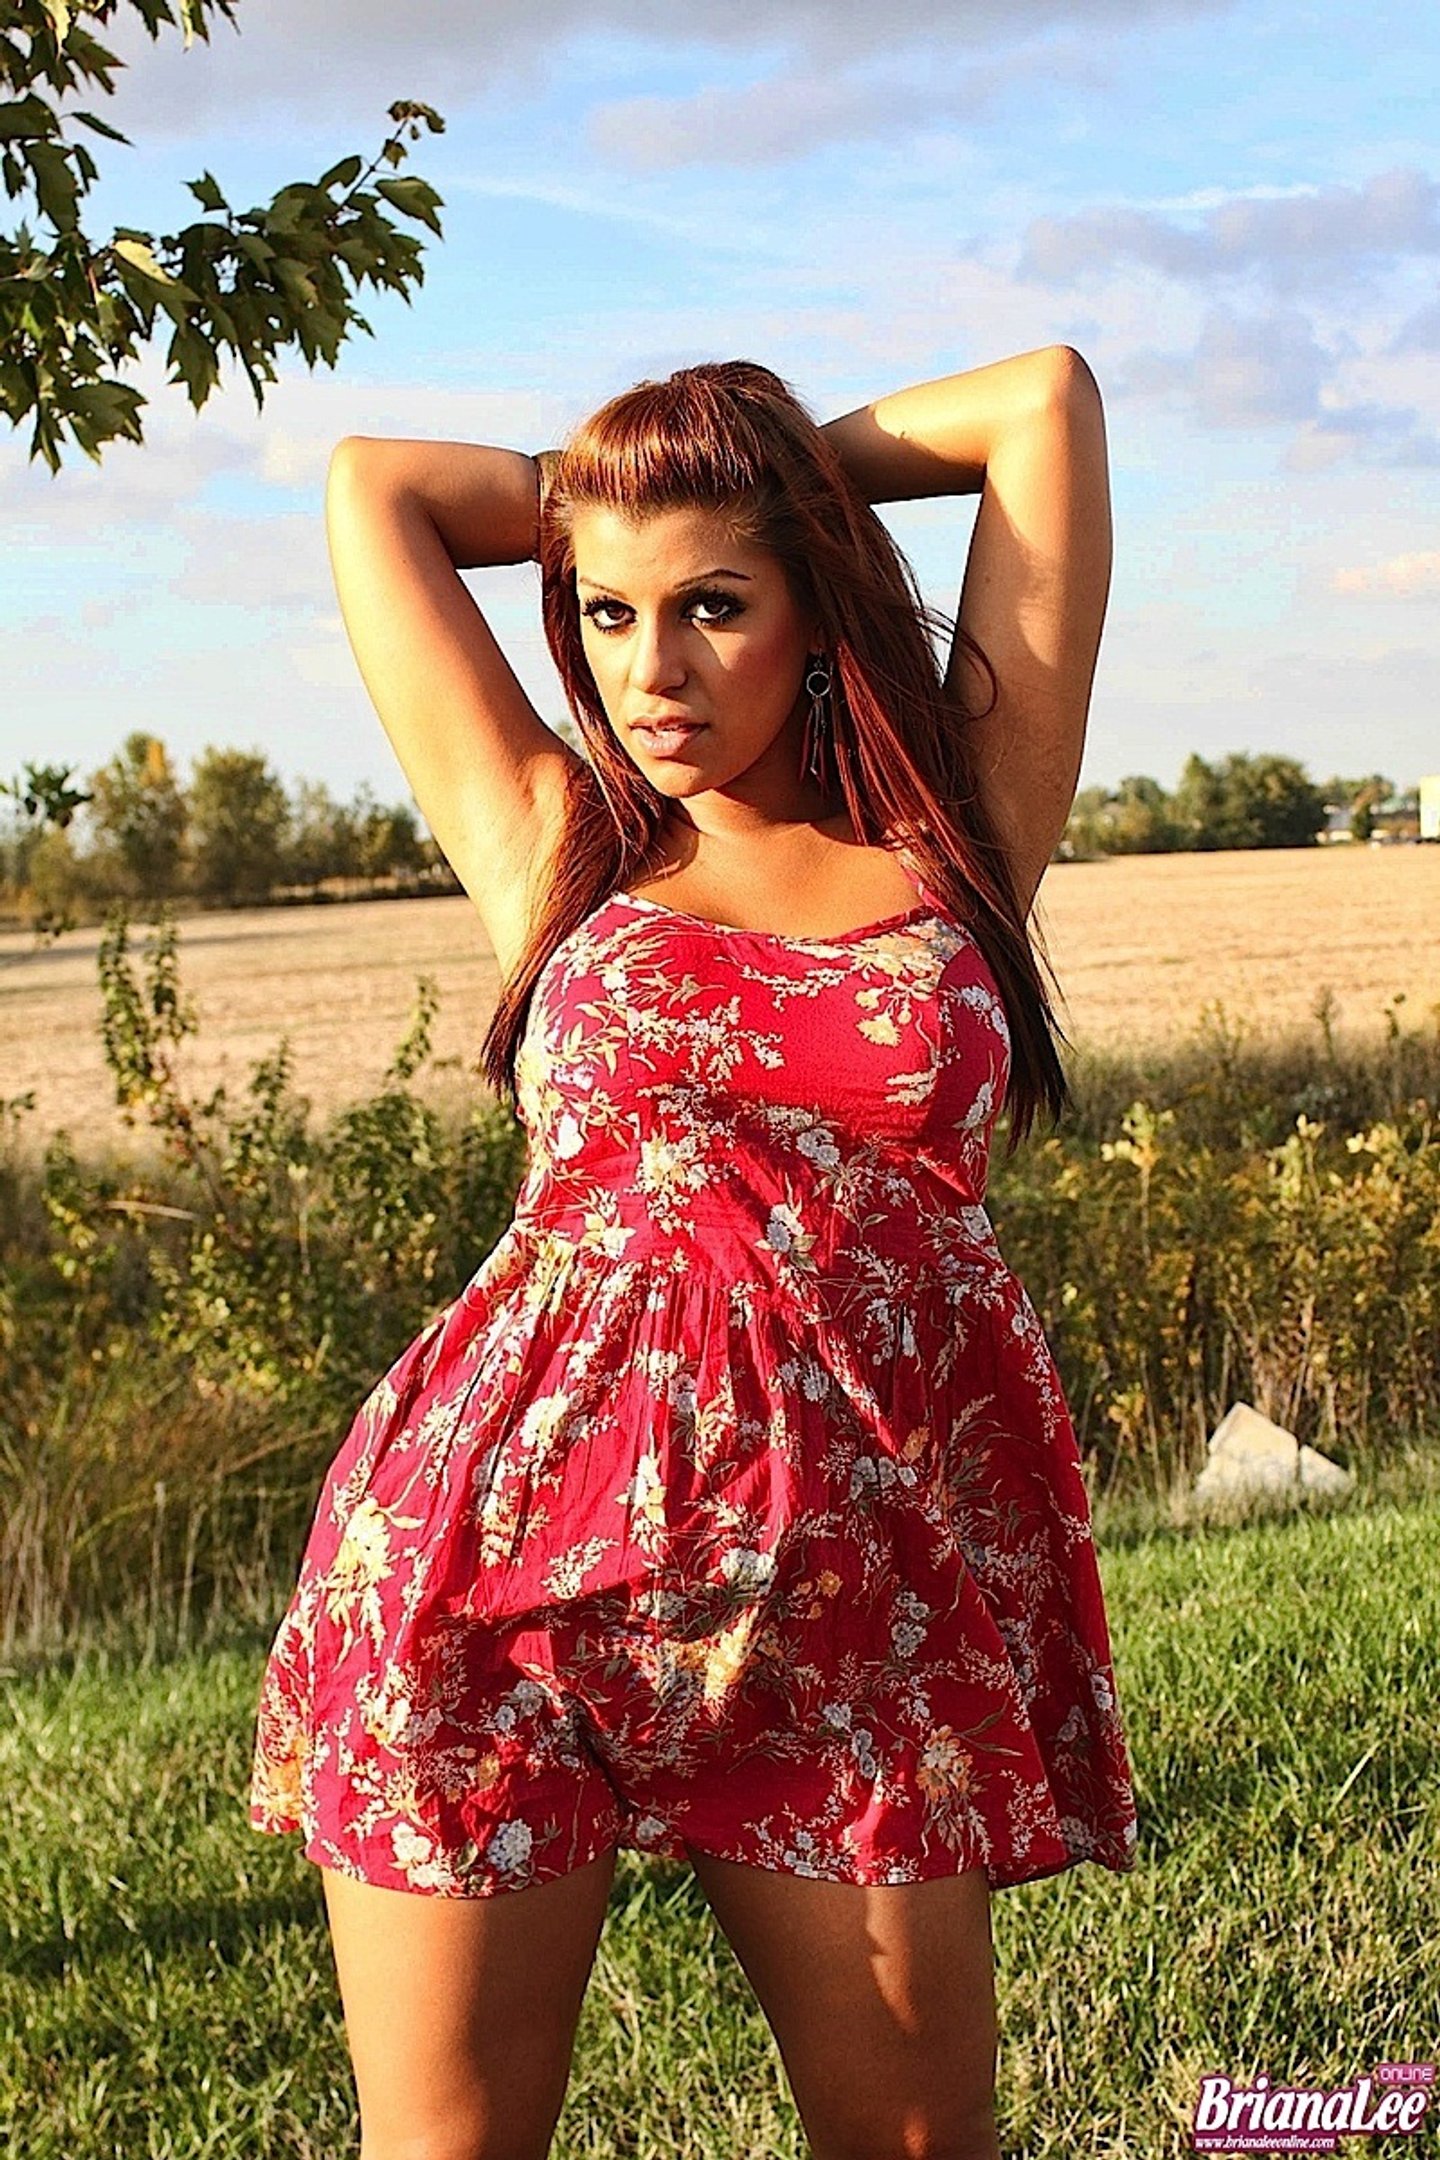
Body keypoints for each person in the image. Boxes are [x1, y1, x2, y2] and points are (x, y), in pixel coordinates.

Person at [248, 348, 1139, 2160]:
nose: (649, 671)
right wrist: (619, 488)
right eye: (607, 612)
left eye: (715, 605)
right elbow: (377, 487)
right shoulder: (557, 843)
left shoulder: (958, 834)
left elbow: (1039, 406)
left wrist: (769, 466)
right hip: (494, 1566)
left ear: (814, 608)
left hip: (859, 1591)